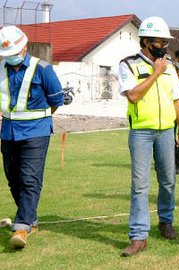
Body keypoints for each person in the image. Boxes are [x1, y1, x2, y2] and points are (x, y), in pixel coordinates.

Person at [118, 16, 179, 257]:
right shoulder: (128, 65)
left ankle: (166, 220)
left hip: (166, 131)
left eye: (165, 41)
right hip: (141, 133)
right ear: (146, 41)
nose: (163, 46)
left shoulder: (168, 67)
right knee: (140, 185)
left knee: (168, 179)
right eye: (158, 41)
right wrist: (156, 73)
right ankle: (138, 236)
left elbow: (176, 99)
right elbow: (133, 96)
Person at [0, 26, 64, 248]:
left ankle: (22, 227)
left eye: (15, 51)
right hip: (8, 132)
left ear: (25, 46)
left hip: (36, 132)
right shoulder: (0, 70)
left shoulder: (43, 69)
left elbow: (56, 101)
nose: (11, 57)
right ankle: (31, 217)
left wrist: (40, 121)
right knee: (13, 179)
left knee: (29, 178)